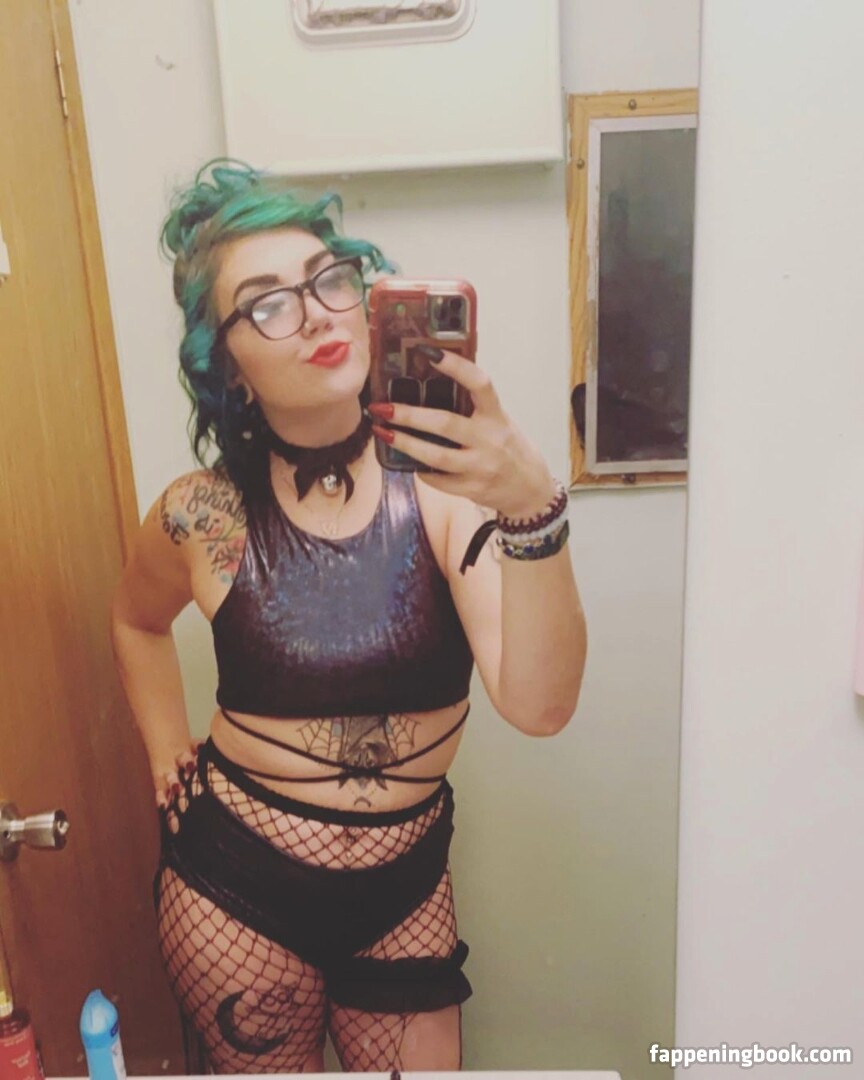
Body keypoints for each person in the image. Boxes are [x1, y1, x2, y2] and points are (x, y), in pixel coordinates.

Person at [111, 160, 587, 1074]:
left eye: (329, 279)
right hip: (233, 893)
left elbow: (541, 706)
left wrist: (534, 507)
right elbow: (134, 621)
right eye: (267, 303)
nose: (317, 312)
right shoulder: (199, 514)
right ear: (229, 365)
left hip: (404, 893)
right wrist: (166, 744)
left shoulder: (451, 493)